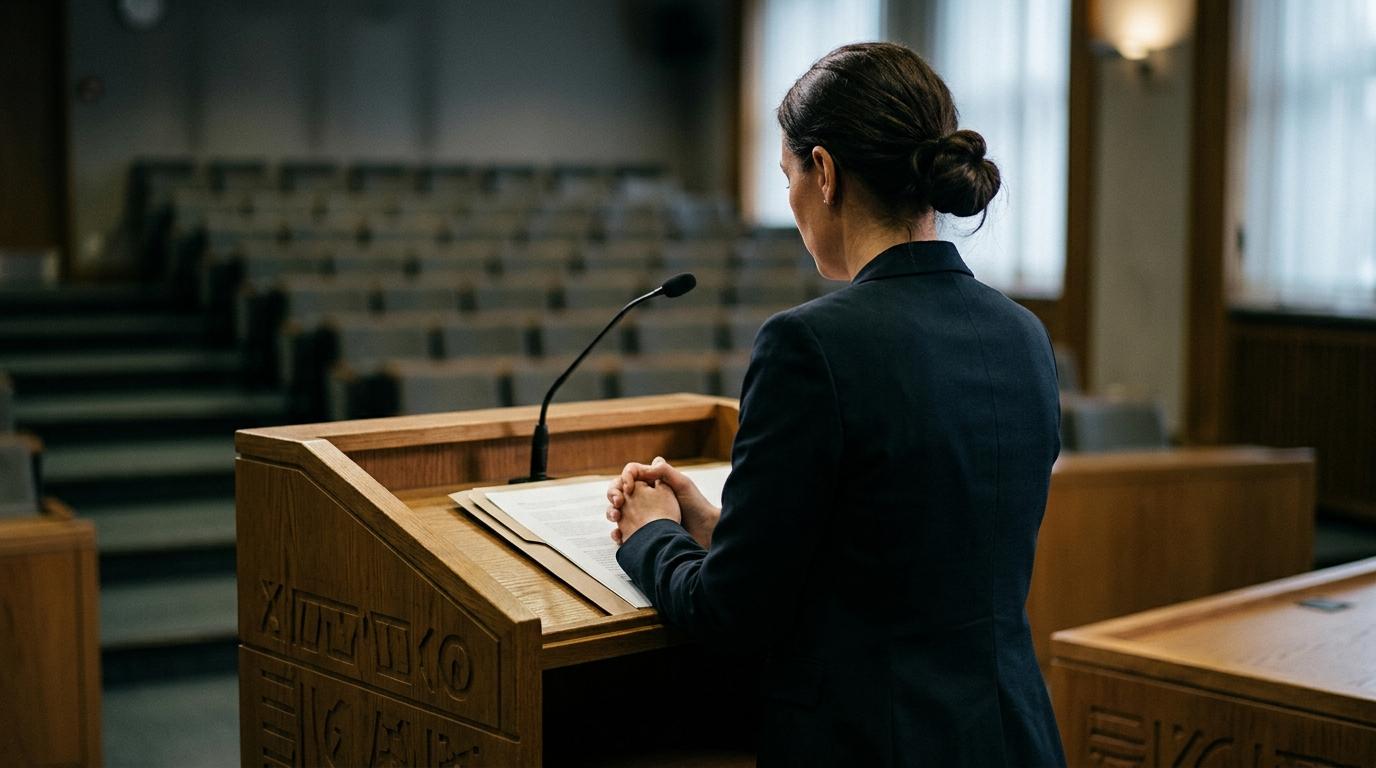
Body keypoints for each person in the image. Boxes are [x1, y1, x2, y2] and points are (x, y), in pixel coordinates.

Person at [605, 41, 1066, 767]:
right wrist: (722, 529)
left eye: (787, 175)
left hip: (872, 743)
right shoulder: (1024, 335)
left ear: (823, 173)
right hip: (1012, 735)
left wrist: (649, 535)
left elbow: (731, 619)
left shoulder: (808, 346)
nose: (790, 202)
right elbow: (901, 555)